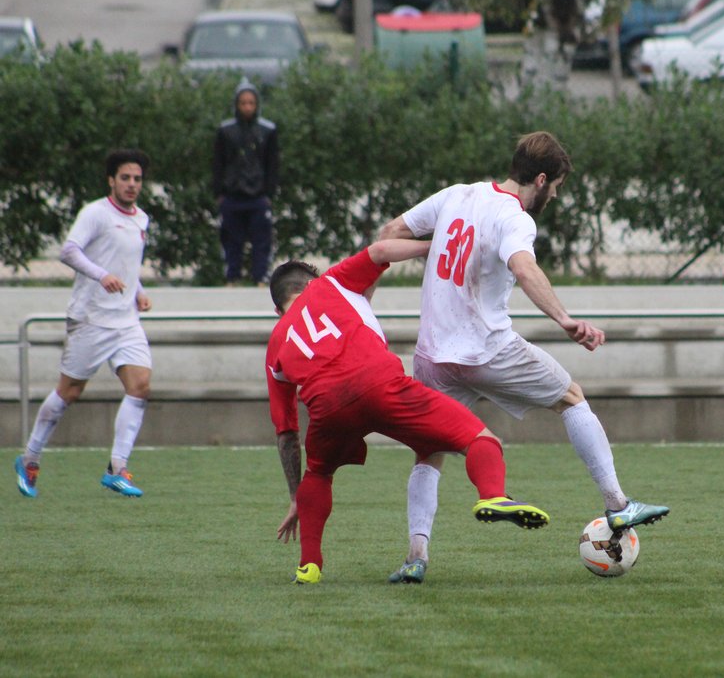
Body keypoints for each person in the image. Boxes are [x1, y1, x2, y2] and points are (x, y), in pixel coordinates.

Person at [378, 130, 670, 582]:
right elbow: (523, 266)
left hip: (433, 354)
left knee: (428, 452)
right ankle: (617, 504)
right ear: (541, 180)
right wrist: (565, 319)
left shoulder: (457, 195)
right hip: (488, 349)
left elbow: (390, 233)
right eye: (556, 187)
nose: (554, 196)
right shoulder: (515, 217)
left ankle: (416, 556)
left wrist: (432, 248)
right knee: (571, 397)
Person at [266, 240, 550, 586]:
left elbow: (286, 432)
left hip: (327, 409)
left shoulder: (276, 342)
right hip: (380, 384)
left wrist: (296, 497)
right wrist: (434, 243)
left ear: (278, 309)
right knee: (480, 438)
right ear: (311, 281)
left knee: (319, 474)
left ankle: (309, 565)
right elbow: (380, 250)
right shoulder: (331, 282)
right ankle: (492, 495)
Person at [14, 149, 154, 499]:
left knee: (140, 385)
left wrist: (138, 291)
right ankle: (29, 458)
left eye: (137, 179)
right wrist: (101, 275)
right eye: (125, 177)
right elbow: (69, 251)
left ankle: (117, 469)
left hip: (126, 322)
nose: (132, 184)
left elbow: (125, 264)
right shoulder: (95, 213)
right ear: (111, 180)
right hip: (91, 318)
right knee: (70, 392)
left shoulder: (141, 218)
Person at [213, 79, 279, 286]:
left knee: (262, 239)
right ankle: (232, 277)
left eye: (251, 103)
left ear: (257, 104)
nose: (247, 107)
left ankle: (260, 277)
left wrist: (269, 193)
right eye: (243, 103)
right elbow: (218, 163)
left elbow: (272, 164)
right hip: (232, 194)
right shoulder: (226, 131)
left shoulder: (267, 130)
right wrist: (219, 193)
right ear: (237, 104)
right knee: (231, 238)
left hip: (258, 195)